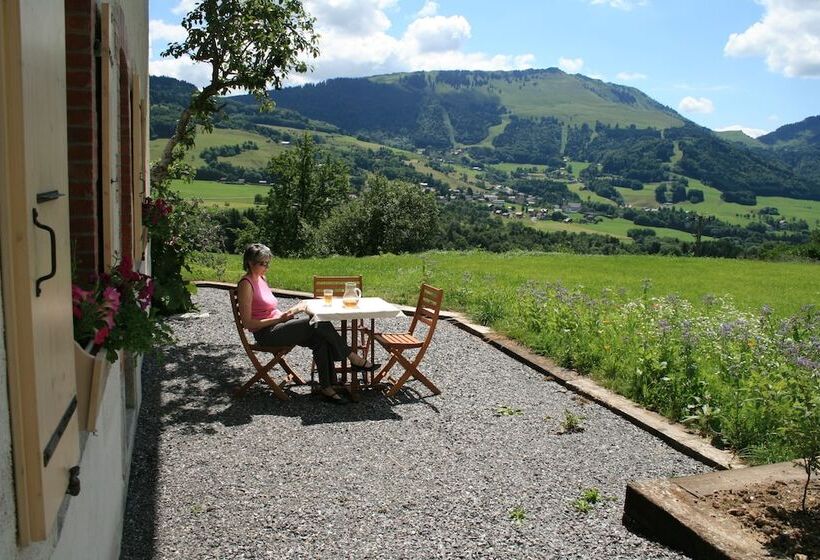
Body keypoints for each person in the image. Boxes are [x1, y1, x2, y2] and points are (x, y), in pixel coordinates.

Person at [237, 243, 376, 404]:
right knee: (318, 323)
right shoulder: (246, 284)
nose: (266, 267)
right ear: (250, 262)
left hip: (279, 325)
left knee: (320, 339)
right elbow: (248, 322)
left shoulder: (261, 278)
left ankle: (327, 387)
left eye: (268, 263)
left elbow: (268, 309)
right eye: (263, 263)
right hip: (266, 334)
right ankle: (352, 358)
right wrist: (281, 319)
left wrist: (291, 311)